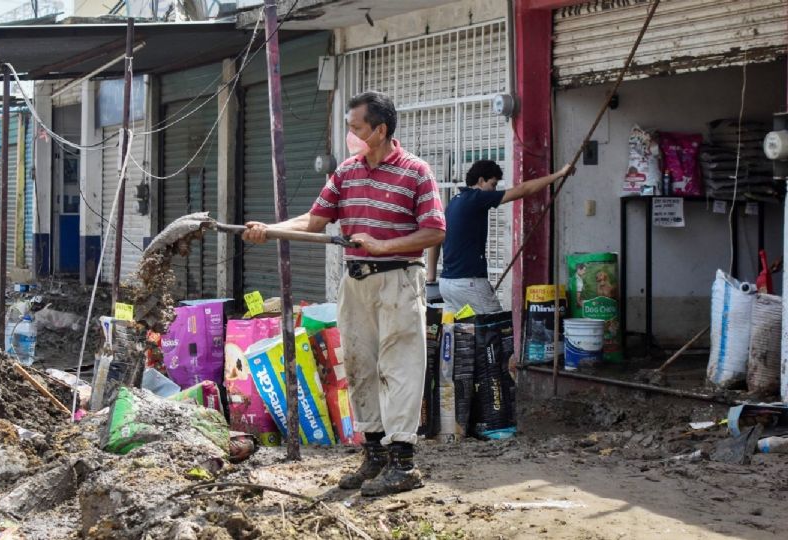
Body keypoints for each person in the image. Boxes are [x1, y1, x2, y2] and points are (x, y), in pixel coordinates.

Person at [242, 91, 445, 496]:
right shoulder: (347, 172)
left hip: (399, 280)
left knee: (400, 368)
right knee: (358, 366)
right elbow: (315, 221)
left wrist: (384, 245)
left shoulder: (416, 172)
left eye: (356, 128)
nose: (350, 135)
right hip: (356, 283)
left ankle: (403, 462)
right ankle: (373, 455)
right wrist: (270, 229)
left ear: (380, 130)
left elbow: (436, 230)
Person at [427, 160, 571, 314]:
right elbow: (523, 190)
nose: (494, 190)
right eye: (493, 184)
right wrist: (559, 174)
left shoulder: (453, 202)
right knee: (497, 330)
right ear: (481, 181)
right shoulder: (477, 198)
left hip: (447, 284)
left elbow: (435, 240)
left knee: (459, 334)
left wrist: (431, 277)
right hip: (468, 282)